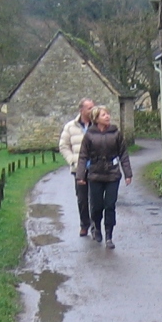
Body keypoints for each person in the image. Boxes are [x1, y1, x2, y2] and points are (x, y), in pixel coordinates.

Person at [75, 105, 132, 249]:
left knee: (110, 205)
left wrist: (128, 174)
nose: (107, 116)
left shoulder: (116, 133)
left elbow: (123, 154)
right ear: (96, 119)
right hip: (95, 175)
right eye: (103, 115)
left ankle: (109, 235)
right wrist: (80, 175)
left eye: (108, 114)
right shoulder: (89, 135)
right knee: (96, 206)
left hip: (112, 174)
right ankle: (97, 227)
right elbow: (83, 156)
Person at [59, 98, 94, 237]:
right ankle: (84, 225)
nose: (92, 110)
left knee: (96, 199)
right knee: (82, 199)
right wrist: (72, 160)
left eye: (93, 107)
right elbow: (63, 146)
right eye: (89, 108)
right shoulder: (70, 126)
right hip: (79, 169)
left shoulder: (98, 125)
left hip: (96, 168)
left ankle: (95, 226)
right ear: (81, 110)